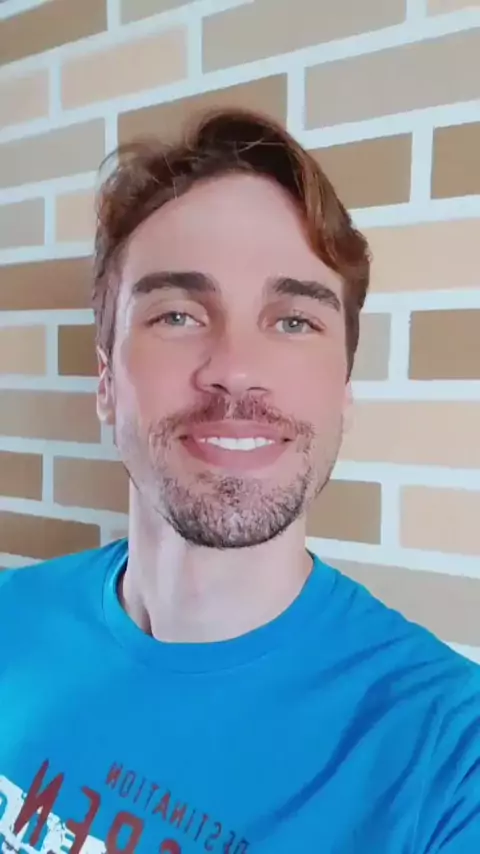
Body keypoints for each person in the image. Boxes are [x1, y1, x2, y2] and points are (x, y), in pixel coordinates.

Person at [0, 108, 479, 854]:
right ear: (105, 381)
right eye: (178, 315)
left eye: (294, 321)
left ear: (344, 389)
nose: (236, 369)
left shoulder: (448, 758)